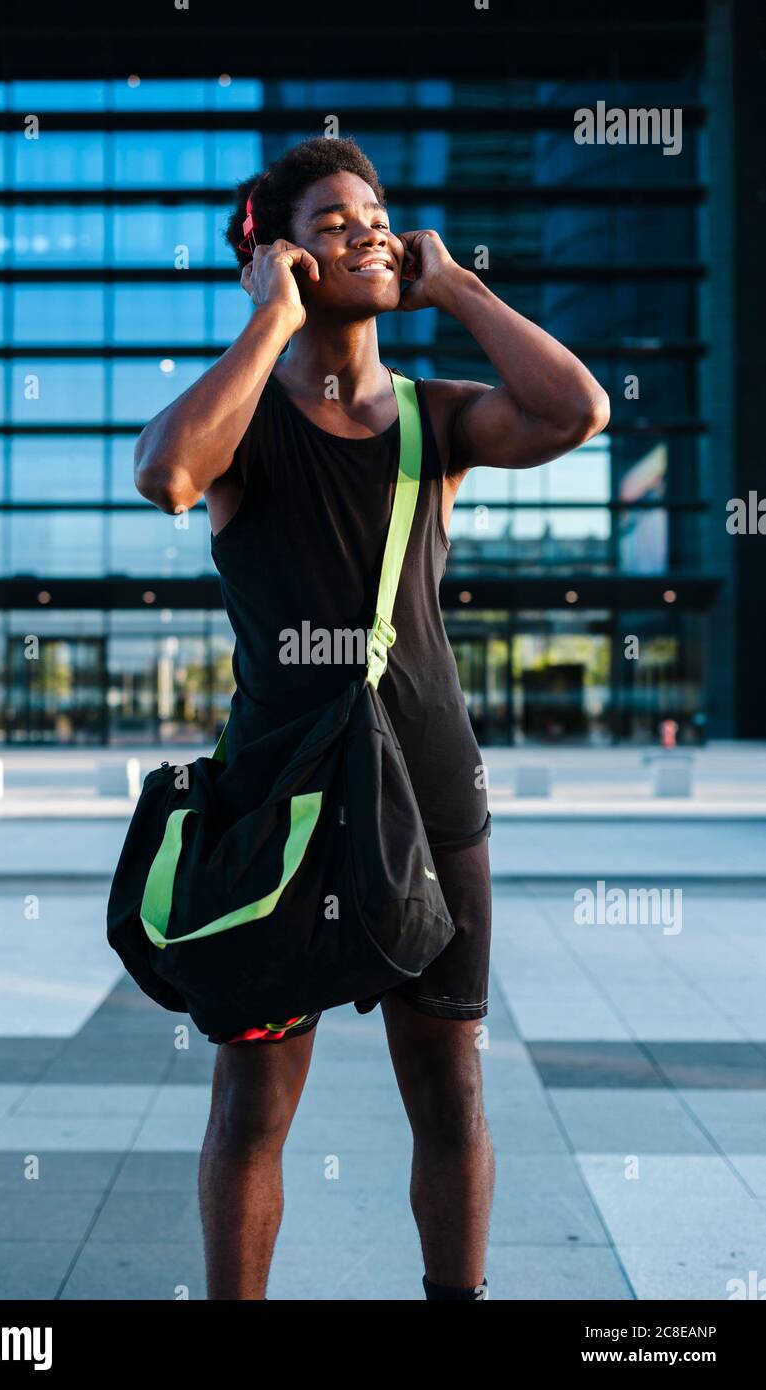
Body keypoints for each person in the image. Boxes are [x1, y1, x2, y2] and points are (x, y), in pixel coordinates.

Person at [134, 137, 610, 1300]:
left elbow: (577, 409)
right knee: (252, 1102)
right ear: (284, 250)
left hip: (431, 795)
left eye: (377, 212)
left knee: (450, 1093)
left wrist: (453, 284)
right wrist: (269, 323)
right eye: (334, 219)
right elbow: (167, 475)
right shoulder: (247, 419)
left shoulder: (438, 418)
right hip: (278, 806)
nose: (368, 231)